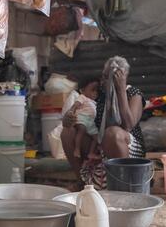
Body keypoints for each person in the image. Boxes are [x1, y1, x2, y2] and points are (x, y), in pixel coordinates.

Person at [61, 56, 145, 189]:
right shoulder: (98, 93)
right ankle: (83, 183)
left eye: (108, 77)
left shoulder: (133, 94)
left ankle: (124, 188)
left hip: (127, 149)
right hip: (99, 146)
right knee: (67, 132)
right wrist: (67, 119)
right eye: (103, 76)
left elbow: (128, 125)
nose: (103, 81)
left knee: (112, 133)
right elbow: (80, 102)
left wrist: (120, 90)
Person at [73, 77, 100, 160]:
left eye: (97, 91)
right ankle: (77, 149)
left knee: (97, 138)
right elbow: (76, 105)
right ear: (82, 90)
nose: (95, 93)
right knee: (82, 129)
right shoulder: (82, 97)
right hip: (82, 118)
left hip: (91, 122)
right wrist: (71, 111)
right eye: (92, 90)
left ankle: (91, 153)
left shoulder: (95, 102)